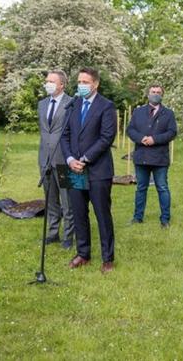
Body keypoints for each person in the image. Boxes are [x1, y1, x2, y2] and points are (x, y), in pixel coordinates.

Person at [60, 67, 117, 273]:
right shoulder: (73, 105)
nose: (81, 85)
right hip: (73, 169)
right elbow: (64, 135)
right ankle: (83, 253)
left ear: (95, 84)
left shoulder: (106, 106)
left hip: (98, 170)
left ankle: (107, 258)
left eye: (85, 82)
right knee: (78, 212)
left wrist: (84, 159)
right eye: (79, 82)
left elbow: (106, 137)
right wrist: (69, 159)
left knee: (102, 214)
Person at [127, 84, 178, 228]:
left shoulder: (168, 114)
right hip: (141, 156)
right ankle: (137, 217)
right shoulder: (138, 112)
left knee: (162, 187)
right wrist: (141, 138)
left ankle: (165, 219)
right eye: (153, 92)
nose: (155, 94)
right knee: (141, 188)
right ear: (147, 94)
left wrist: (154, 139)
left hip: (160, 158)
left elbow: (172, 132)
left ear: (162, 95)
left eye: (158, 92)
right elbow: (130, 129)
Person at [38, 69, 74, 249]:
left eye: (51, 81)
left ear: (62, 84)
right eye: (46, 81)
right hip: (45, 158)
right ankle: (53, 233)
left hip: (64, 158)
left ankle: (69, 236)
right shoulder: (42, 104)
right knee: (51, 200)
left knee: (68, 200)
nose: (47, 84)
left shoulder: (72, 104)